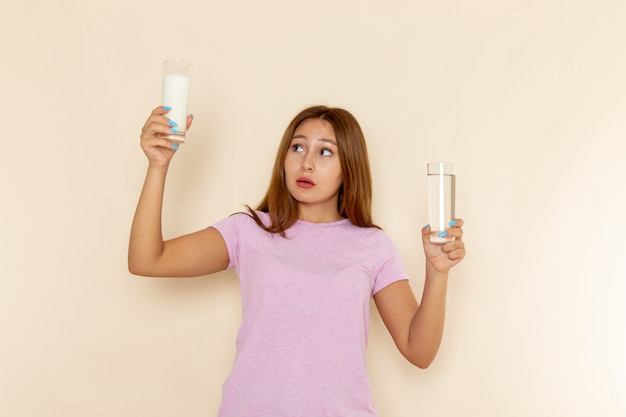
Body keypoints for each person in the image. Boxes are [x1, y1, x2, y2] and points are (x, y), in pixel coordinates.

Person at [128, 105, 466, 417]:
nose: (306, 163)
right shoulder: (248, 231)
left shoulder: (373, 246)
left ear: (348, 167)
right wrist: (158, 166)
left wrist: (437, 273)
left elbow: (419, 352)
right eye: (298, 147)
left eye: (325, 152)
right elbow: (147, 260)